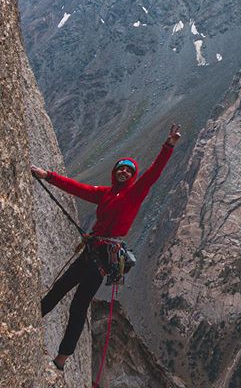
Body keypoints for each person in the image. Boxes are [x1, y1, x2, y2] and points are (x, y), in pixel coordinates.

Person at [31, 123, 182, 371]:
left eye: (128, 170)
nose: (123, 171)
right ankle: (32, 322)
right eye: (120, 168)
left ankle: (62, 359)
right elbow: (77, 188)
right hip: (94, 251)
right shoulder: (105, 193)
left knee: (78, 305)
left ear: (132, 176)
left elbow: (154, 173)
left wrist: (169, 145)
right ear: (115, 173)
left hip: (102, 256)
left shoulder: (135, 193)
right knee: (59, 289)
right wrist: (48, 176)